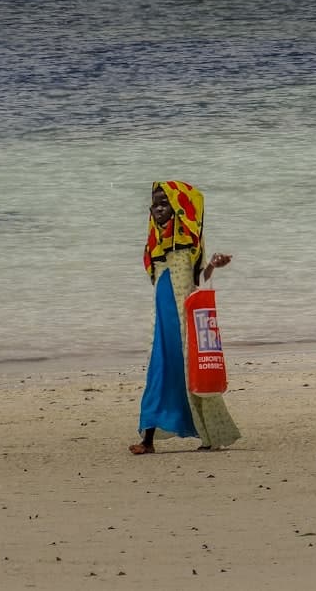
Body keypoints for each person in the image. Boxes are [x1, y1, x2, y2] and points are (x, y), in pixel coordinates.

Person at [129, 181, 241, 455]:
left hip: (185, 324)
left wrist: (213, 265)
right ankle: (148, 439)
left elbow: (197, 280)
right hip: (162, 328)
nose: (158, 208)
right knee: (158, 373)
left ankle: (209, 437)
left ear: (179, 208)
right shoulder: (154, 247)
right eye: (155, 203)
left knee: (191, 376)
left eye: (164, 203)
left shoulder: (190, 246)